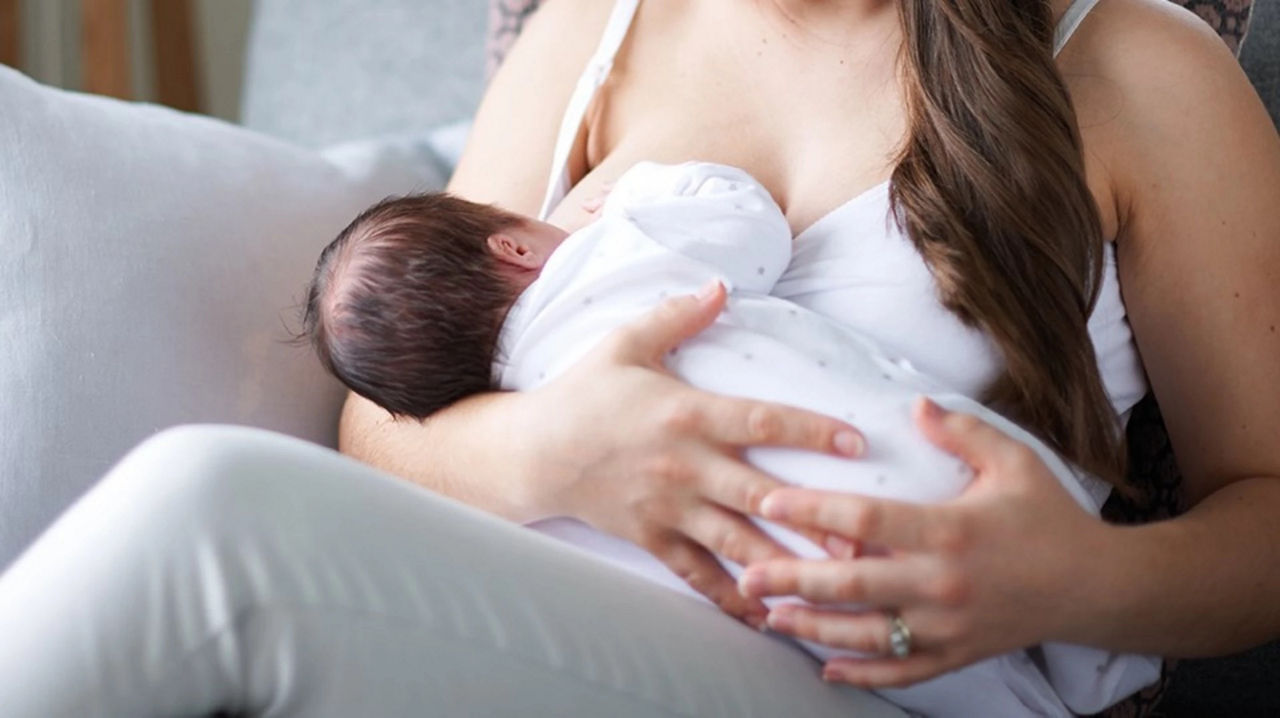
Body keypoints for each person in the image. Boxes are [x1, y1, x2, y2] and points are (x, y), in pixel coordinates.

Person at [0, 0, 1275, 716]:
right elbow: (380, 426)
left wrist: (1075, 582)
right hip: (565, 629)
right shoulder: (595, 33)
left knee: (211, 520)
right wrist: (553, 451)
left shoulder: (1132, 69)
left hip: (893, 684)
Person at [303, 159, 1160, 712]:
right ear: (513, 247)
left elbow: (393, 414)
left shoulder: (524, 374)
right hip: (894, 457)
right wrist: (636, 197)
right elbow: (750, 225)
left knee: (942, 674)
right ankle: (1103, 673)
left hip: (781, 591)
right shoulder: (618, 248)